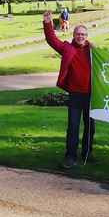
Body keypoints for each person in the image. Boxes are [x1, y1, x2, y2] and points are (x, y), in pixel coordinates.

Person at [43, 11, 95, 168]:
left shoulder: (93, 51)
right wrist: (47, 23)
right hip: (75, 95)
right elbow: (52, 40)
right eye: (78, 34)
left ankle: (87, 153)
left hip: (91, 95)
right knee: (73, 126)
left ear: (87, 36)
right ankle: (70, 156)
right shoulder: (67, 48)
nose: (81, 36)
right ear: (74, 35)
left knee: (90, 127)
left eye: (83, 34)